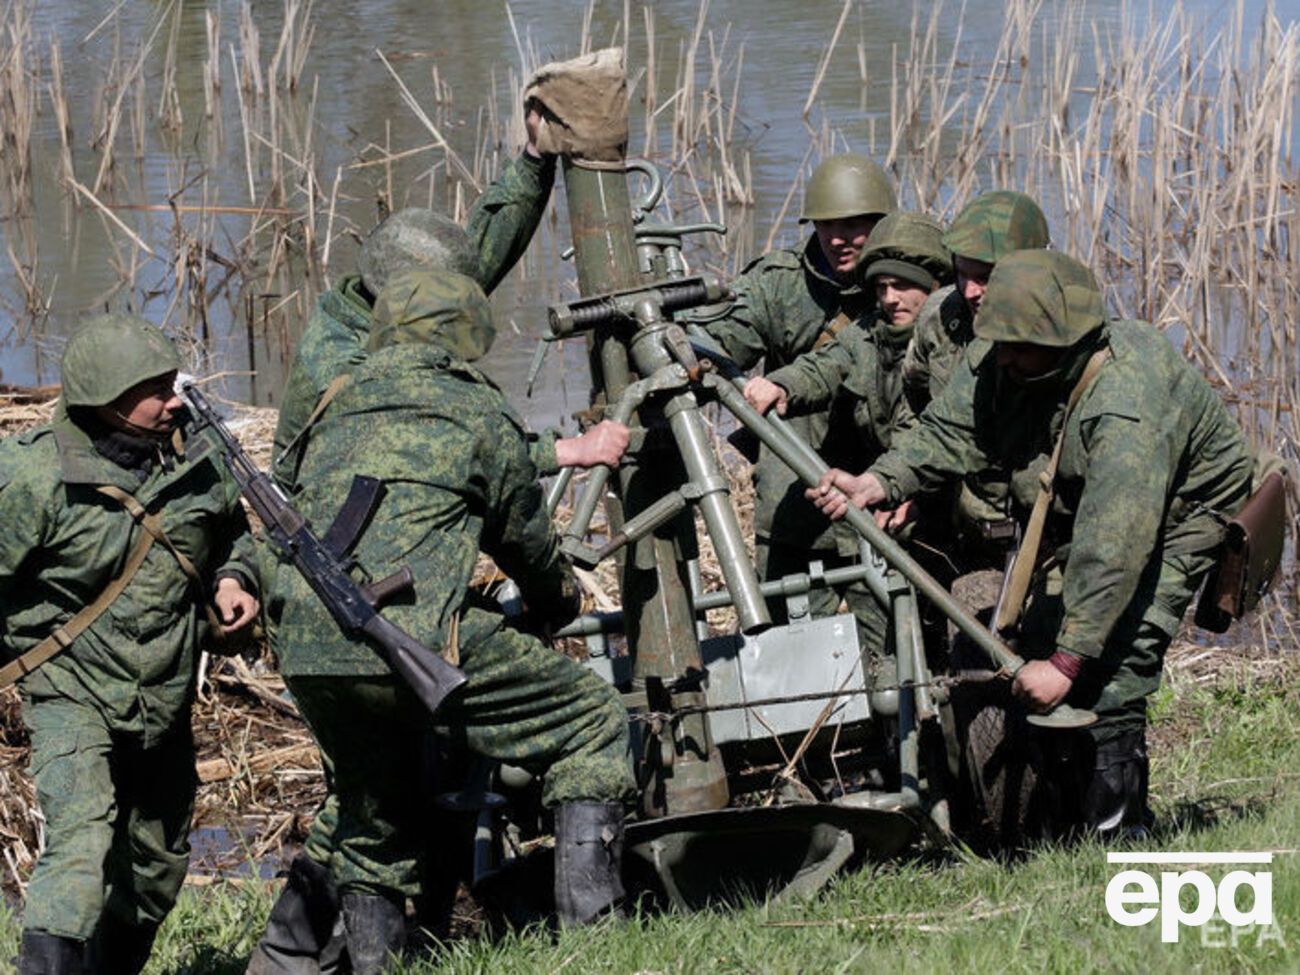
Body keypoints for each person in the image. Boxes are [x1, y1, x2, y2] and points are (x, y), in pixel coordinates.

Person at [810, 250, 1253, 839]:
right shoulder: (1014, 358)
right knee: (1043, 628)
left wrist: (1069, 663)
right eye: (999, 345)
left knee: (1116, 658)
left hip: (1182, 513)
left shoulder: (1124, 408)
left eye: (1017, 349)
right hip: (1099, 507)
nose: (1004, 359)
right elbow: (952, 428)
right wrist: (879, 480)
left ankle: (1119, 838)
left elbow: (1114, 543)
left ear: (1064, 342)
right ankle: (1057, 816)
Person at [270, 268, 636, 973]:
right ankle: (599, 941)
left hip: (307, 648)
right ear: (465, 335)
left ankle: (378, 964)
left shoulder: (334, 401)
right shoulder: (473, 405)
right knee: (590, 719)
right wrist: (557, 603)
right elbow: (525, 538)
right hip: (407, 639)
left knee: (376, 814)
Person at [0, 315, 261, 975]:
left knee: (157, 863)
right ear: (106, 399)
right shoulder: (35, 479)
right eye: (155, 388)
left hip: (164, 693)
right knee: (81, 849)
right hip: (71, 687)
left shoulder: (200, 456)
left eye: (172, 382)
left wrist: (236, 579)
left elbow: (232, 532)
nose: (175, 397)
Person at [272, 105, 625, 495]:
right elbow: (445, 442)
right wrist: (563, 451)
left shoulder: (392, 299)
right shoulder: (341, 365)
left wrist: (535, 157)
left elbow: (486, 246)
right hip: (334, 509)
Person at [690, 152, 896, 623]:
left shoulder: (906, 286)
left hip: (882, 503)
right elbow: (723, 338)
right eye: (826, 226)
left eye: (854, 225)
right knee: (789, 659)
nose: (838, 240)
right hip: (795, 507)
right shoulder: (778, 284)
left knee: (898, 657)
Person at [742, 211, 950, 665]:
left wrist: (916, 499)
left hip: (937, 513)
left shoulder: (955, 346)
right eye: (880, 287)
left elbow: (946, 438)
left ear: (934, 288)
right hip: (883, 503)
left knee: (929, 647)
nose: (890, 299)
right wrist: (780, 386)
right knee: (877, 649)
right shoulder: (872, 332)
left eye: (903, 286)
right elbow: (826, 364)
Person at [901, 190, 1052, 564]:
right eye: (961, 273)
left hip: (1045, 528)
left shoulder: (1062, 326)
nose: (970, 291)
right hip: (965, 518)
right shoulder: (939, 317)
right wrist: (911, 491)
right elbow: (913, 405)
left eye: (985, 277)